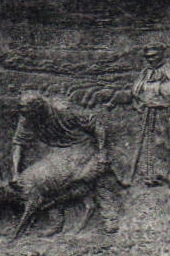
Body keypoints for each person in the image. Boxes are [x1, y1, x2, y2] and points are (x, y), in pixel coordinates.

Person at [9, 89, 122, 233]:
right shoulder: (27, 116)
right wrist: (15, 172)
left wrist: (102, 151)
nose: (25, 116)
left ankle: (110, 216)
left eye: (27, 112)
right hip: (58, 151)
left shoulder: (64, 110)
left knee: (94, 175)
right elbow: (18, 145)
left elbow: (97, 124)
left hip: (82, 146)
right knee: (45, 178)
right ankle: (57, 220)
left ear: (39, 108)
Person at [130, 44, 170, 185]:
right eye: (148, 57)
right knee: (156, 144)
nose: (151, 59)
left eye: (154, 55)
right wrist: (150, 93)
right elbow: (136, 90)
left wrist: (152, 88)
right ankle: (158, 174)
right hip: (153, 112)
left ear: (161, 53)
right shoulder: (146, 71)